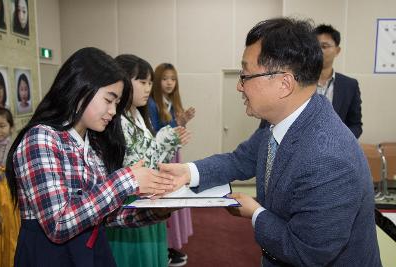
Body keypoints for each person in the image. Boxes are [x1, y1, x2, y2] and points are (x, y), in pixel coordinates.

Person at [159, 18, 381, 266]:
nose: (239, 86)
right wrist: (187, 172)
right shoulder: (278, 120)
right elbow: (241, 159)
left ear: (284, 83)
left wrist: (255, 213)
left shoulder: (328, 158)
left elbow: (306, 253)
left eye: (245, 75)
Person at [5, 47, 175, 267]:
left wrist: (156, 210)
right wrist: (125, 180)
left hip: (92, 251)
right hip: (50, 256)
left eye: (117, 103)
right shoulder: (41, 138)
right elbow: (60, 223)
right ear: (80, 89)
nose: (113, 111)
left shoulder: (94, 143)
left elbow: (103, 215)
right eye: (109, 99)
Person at [106, 54, 191, 267]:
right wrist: (165, 139)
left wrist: (169, 141)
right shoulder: (116, 119)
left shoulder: (137, 115)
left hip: (148, 196)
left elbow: (152, 159)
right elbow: (136, 161)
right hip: (131, 201)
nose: (147, 88)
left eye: (150, 83)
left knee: (151, 257)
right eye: (142, 82)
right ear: (123, 82)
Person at [148, 63, 195, 266]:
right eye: (165, 78)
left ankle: (170, 245)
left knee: (174, 201)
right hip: (161, 159)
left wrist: (182, 121)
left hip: (173, 156)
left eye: (173, 79)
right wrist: (178, 123)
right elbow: (157, 135)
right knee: (164, 201)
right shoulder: (151, 104)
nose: (169, 83)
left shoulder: (170, 101)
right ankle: (165, 247)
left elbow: (172, 132)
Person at [314, 24, 363, 138]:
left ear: (337, 50)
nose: (319, 51)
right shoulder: (299, 81)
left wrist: (340, 140)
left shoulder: (350, 85)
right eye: (316, 46)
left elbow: (355, 125)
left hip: (336, 149)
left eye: (325, 46)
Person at [0, 107, 20, 267]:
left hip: (13, 203)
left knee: (14, 240)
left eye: (2, 125)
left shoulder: (16, 149)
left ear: (11, 127)